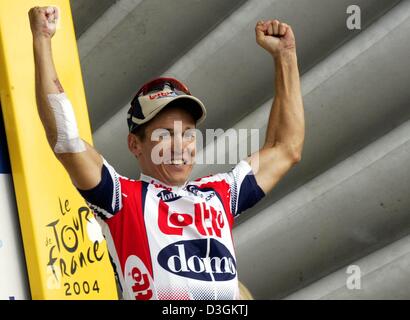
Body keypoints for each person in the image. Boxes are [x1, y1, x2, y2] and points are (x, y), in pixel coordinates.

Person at [29, 6, 305, 300]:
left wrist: (285, 56)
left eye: (187, 134)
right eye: (164, 135)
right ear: (135, 145)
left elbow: (286, 148)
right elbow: (66, 142)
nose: (178, 146)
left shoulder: (219, 193)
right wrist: (42, 40)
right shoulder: (122, 199)